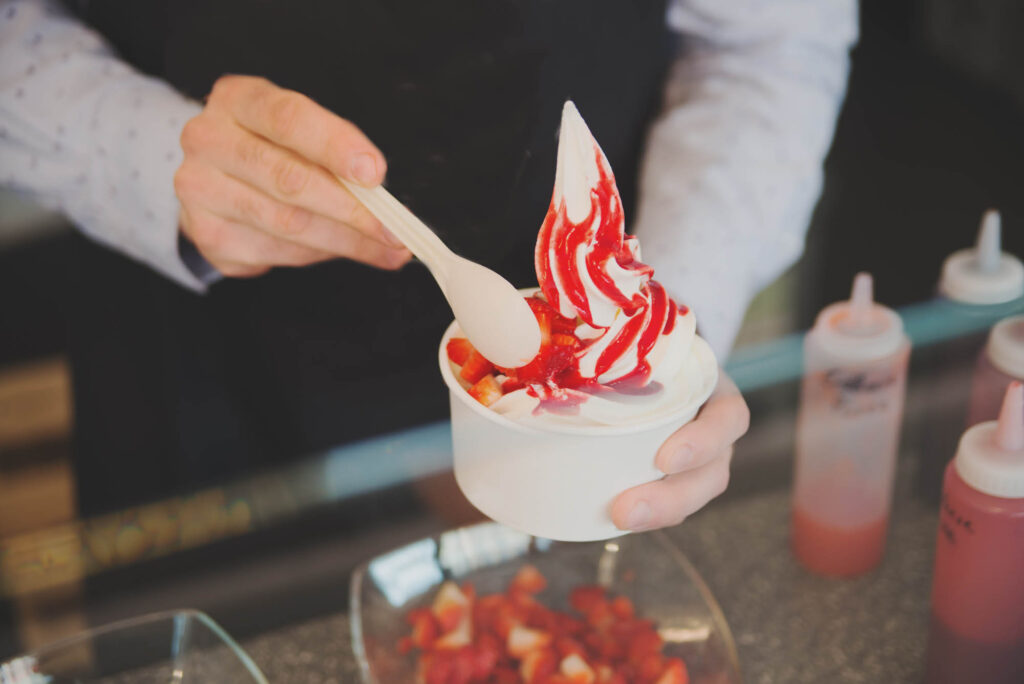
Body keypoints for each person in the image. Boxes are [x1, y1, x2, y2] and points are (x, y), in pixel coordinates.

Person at [0, 0, 857, 530]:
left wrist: (658, 332)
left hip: (580, 389)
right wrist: (148, 153)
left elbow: (768, 45)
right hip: (186, 345)